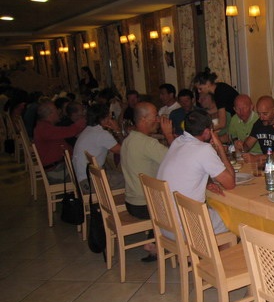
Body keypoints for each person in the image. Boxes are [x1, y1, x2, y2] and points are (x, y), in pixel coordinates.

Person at [157, 110, 235, 234]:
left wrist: (208, 182)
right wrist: (220, 147)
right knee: (235, 218)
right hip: (187, 227)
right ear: (207, 132)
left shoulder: (177, 142)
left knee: (214, 210)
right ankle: (220, 247)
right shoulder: (204, 149)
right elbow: (230, 183)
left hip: (165, 225)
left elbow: (189, 167)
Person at [121, 102, 174, 261]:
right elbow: (176, 160)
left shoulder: (128, 139)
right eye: (155, 116)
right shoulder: (147, 144)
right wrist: (168, 134)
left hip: (132, 201)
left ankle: (154, 239)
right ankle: (161, 243)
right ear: (143, 119)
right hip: (146, 205)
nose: (158, 120)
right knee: (185, 204)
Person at [72, 103, 124, 193]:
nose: (110, 118)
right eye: (109, 116)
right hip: (89, 183)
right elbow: (124, 151)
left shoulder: (88, 129)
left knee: (116, 172)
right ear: (103, 119)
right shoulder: (101, 134)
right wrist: (117, 130)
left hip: (81, 179)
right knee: (131, 179)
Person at [33, 100, 85, 183]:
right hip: (56, 171)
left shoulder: (44, 126)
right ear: (50, 114)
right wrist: (83, 120)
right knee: (89, 172)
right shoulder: (45, 129)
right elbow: (69, 131)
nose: (58, 112)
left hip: (58, 166)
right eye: (56, 110)